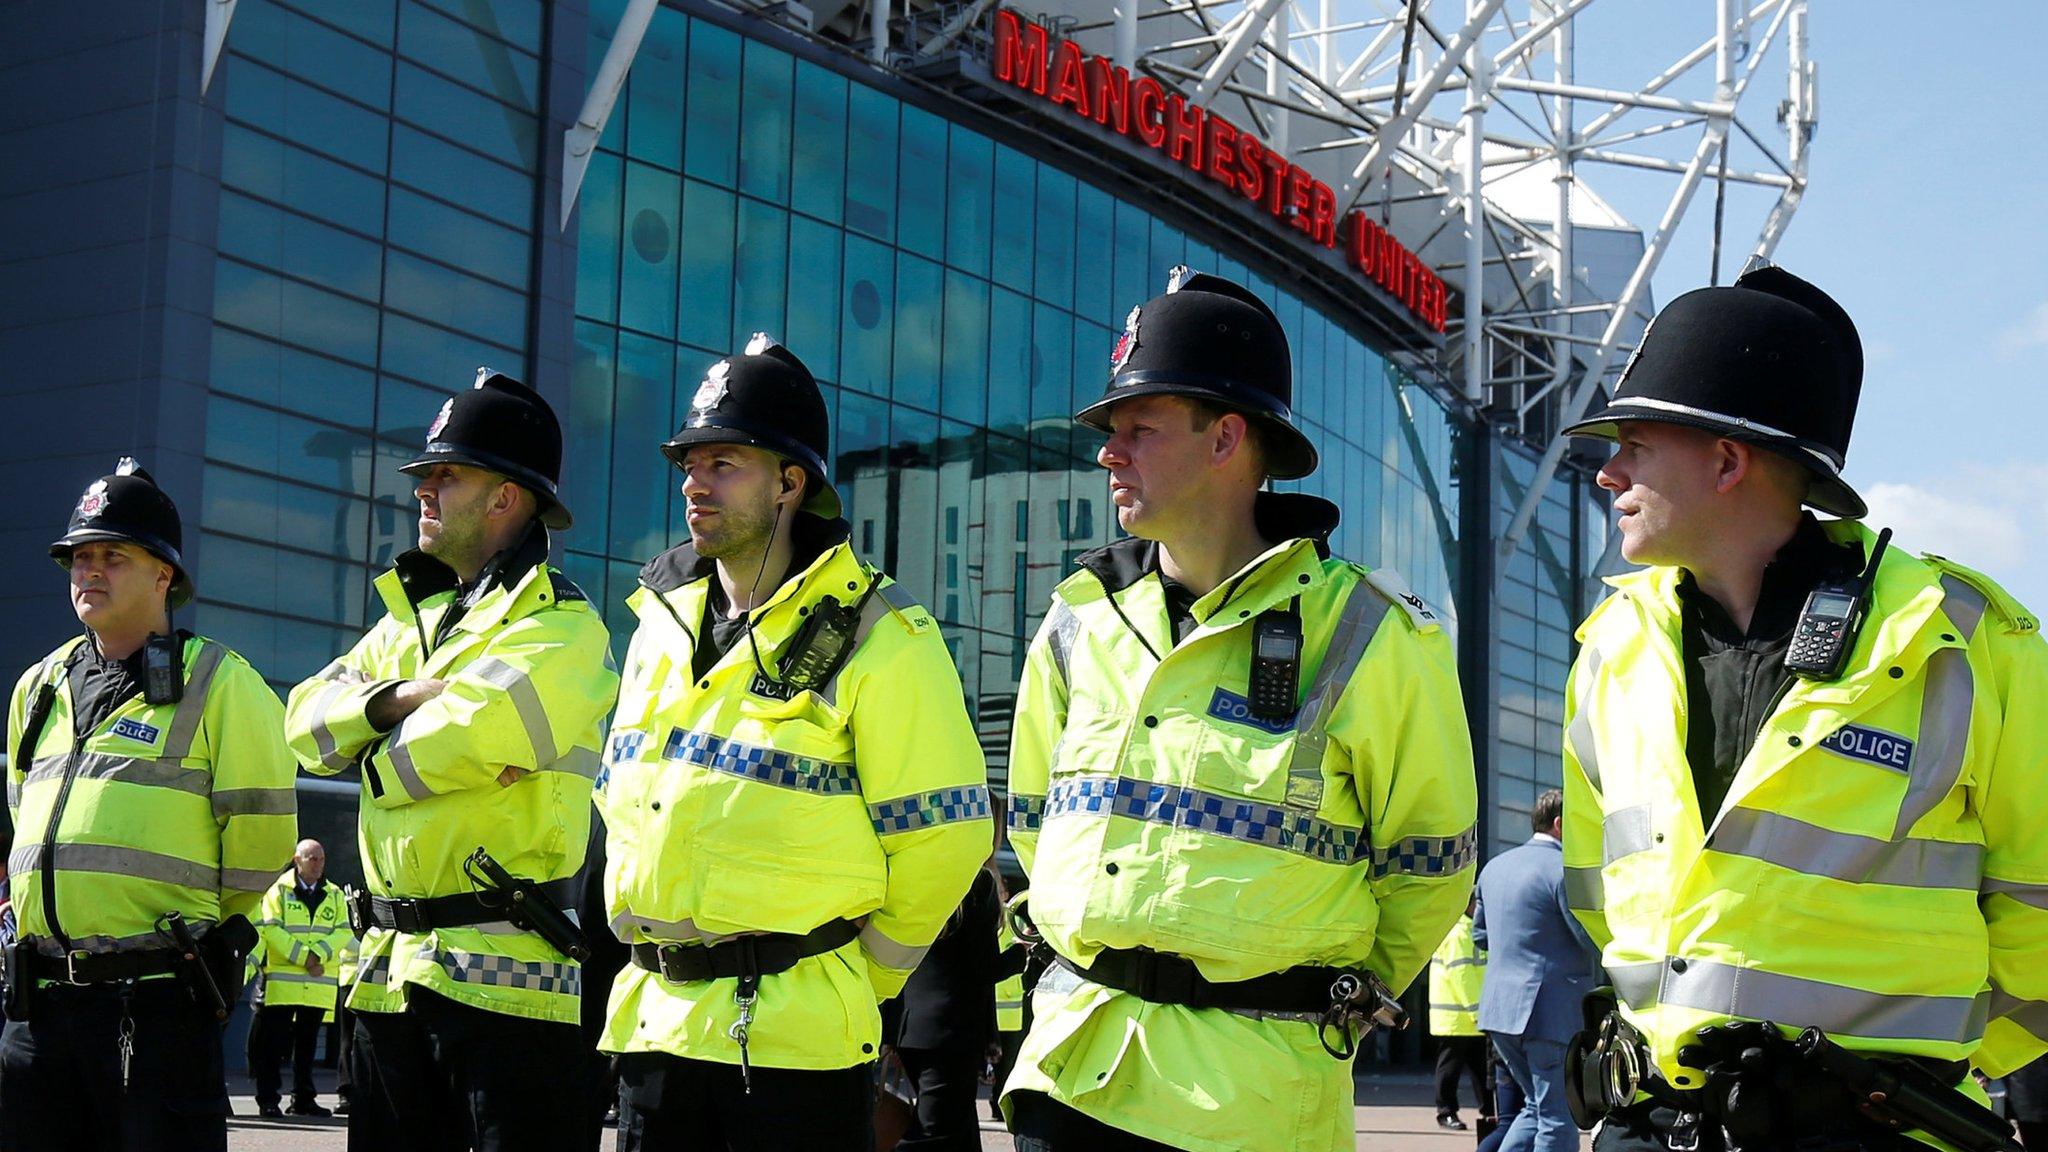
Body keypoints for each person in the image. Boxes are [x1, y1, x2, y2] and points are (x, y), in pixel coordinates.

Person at [1559, 264, 2048, 1151]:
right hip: (1656, 1124)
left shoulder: (1965, 638)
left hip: (1872, 1126)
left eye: (1632, 443)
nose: (1608, 473)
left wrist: (1952, 1067)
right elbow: (1599, 891)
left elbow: (2038, 893)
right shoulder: (1610, 648)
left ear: (1726, 460)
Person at [1001, 267, 1479, 1152]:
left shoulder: (1370, 633)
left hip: (1253, 1100)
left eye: (1138, 427)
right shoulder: (1080, 616)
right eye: (1112, 430)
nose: (1110, 450)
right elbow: (1033, 823)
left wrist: (1310, 992)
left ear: (1225, 439)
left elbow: (1432, 865)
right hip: (1071, 1080)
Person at [596, 334, 990, 1151]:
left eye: (723, 463)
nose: (693, 483)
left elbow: (946, 837)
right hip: (654, 1032)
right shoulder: (657, 625)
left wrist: (858, 974)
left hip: (796, 1049)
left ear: (790, 482)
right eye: (689, 463)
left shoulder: (885, 635)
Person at [285, 370, 617, 1151]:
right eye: (424, 476)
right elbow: (300, 724)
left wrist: (364, 747)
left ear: (505, 497)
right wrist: (398, 698)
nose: (423, 492)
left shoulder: (564, 626)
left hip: (510, 993)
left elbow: (465, 737)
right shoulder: (410, 625)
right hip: (389, 978)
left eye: (446, 474)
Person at [1, 458, 298, 1150]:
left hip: (153, 1004)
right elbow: (24, 817)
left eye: (112, 556)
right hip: (36, 1010)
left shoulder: (222, 684)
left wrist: (182, 932)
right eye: (79, 557)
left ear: (165, 575)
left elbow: (261, 842)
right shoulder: (38, 686)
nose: (89, 571)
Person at [1474, 790, 1598, 1152]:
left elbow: (1481, 936)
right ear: (1559, 825)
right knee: (1559, 1117)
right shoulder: (1562, 871)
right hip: (1549, 1012)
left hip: (1499, 1012)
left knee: (1535, 1108)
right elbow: (1589, 938)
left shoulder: (1494, 868)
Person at [888, 863, 1003, 1151]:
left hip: (909, 1024)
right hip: (950, 1031)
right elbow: (985, 968)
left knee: (960, 1129)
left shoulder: (913, 872)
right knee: (934, 1133)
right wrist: (1022, 954)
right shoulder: (976, 881)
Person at [251, 838, 349, 1118]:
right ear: (297, 860)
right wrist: (305, 957)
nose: (318, 865)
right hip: (283, 984)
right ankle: (268, 1099)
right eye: (312, 859)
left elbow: (343, 930)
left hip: (317, 984)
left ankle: (303, 1098)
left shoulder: (334, 893)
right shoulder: (278, 890)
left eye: (321, 859)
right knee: (274, 1045)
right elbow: (271, 928)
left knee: (307, 1048)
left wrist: (318, 955)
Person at [1430, 894, 1490, 1132]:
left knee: (1483, 1069)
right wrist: (1477, 1010)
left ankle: (1490, 1111)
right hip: (1457, 1017)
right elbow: (1461, 977)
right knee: (1450, 1068)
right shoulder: (1458, 934)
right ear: (1468, 905)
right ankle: (1446, 1112)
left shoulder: (1474, 932)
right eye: (1478, 904)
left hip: (1471, 1016)